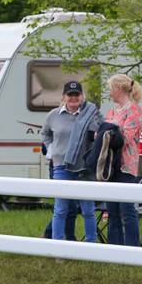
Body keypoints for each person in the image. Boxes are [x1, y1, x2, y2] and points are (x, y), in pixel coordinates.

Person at [40, 80, 102, 242]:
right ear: (64, 97)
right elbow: (45, 134)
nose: (73, 98)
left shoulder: (91, 114)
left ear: (82, 96)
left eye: (77, 94)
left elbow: (101, 131)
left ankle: (91, 245)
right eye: (70, 95)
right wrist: (52, 151)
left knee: (88, 210)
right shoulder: (53, 115)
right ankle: (57, 245)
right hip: (62, 166)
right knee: (61, 209)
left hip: (84, 167)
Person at [105, 73, 142, 246]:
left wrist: (108, 132)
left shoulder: (134, 110)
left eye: (111, 89)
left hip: (126, 166)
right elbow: (103, 134)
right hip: (110, 165)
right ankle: (114, 249)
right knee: (112, 211)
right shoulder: (112, 111)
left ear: (119, 88)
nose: (109, 93)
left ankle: (132, 249)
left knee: (127, 210)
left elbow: (126, 137)